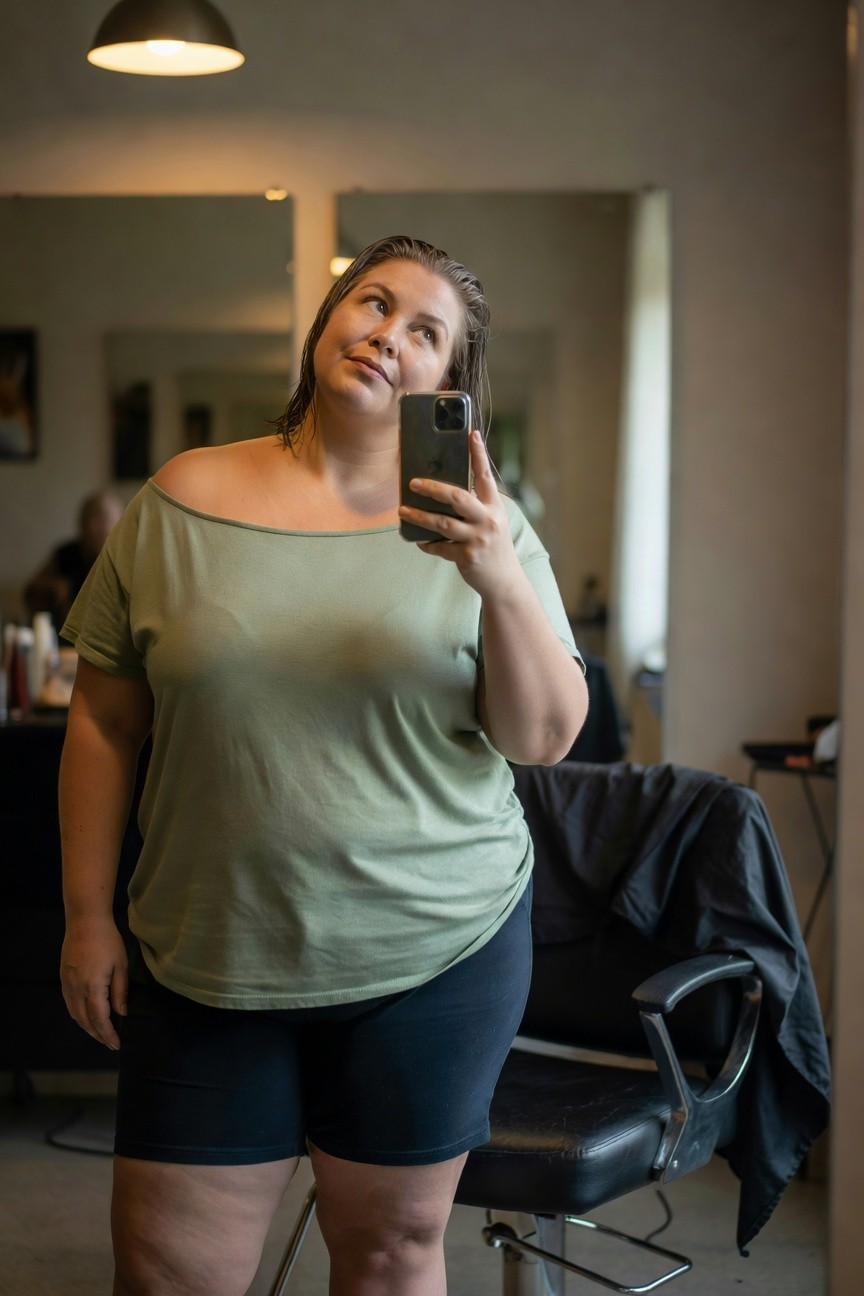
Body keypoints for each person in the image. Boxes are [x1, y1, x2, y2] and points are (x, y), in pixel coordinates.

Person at [59, 235, 588, 1296]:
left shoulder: (483, 529)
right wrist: (85, 914)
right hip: (209, 952)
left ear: (447, 382)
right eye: (374, 303)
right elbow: (106, 722)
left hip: (435, 951)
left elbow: (542, 738)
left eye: (425, 332)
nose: (390, 335)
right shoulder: (178, 500)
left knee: (391, 1258)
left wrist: (500, 581)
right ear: (326, 321)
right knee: (168, 1272)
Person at [24, 490, 124, 633]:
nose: (93, 526)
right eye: (88, 518)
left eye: (103, 519)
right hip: (63, 642)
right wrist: (53, 586)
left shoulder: (123, 560)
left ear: (119, 523)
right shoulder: (65, 553)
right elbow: (30, 592)